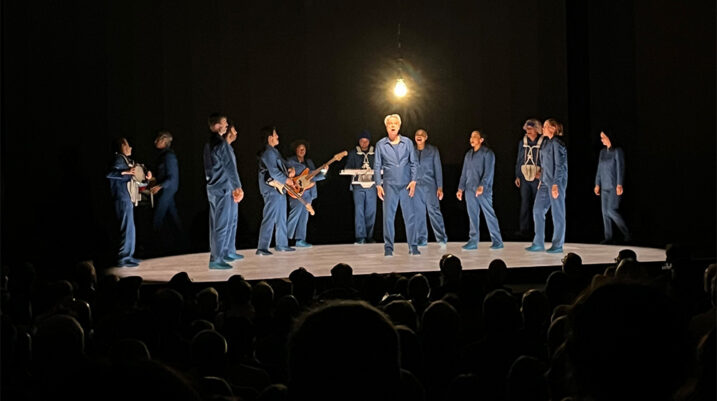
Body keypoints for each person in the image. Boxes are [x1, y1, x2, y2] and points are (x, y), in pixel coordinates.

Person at [374, 114, 419, 256]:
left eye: (395, 123)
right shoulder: (381, 144)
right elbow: (377, 165)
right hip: (389, 185)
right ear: (386, 127)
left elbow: (414, 163)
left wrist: (414, 181)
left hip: (406, 185)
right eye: (390, 124)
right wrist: (378, 184)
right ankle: (388, 248)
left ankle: (413, 246)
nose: (392, 126)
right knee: (388, 218)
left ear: (399, 126)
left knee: (410, 216)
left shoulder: (407, 142)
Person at [203, 114, 243, 269]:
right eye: (225, 123)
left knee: (217, 223)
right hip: (223, 187)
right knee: (222, 223)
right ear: (217, 126)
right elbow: (230, 167)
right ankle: (216, 258)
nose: (226, 126)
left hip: (214, 187)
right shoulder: (220, 144)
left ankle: (222, 253)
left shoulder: (209, 144)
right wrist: (237, 187)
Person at [456, 130, 504, 250]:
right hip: (469, 189)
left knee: (489, 214)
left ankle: (497, 241)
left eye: (475, 137)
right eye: (471, 136)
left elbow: (488, 172)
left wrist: (482, 185)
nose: (471, 139)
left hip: (483, 190)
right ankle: (473, 241)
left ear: (481, 140)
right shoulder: (468, 154)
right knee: (472, 216)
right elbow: (464, 172)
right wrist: (460, 188)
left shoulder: (488, 154)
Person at [526, 118, 568, 254]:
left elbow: (560, 166)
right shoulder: (545, 143)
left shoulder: (557, 143)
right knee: (538, 210)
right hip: (545, 182)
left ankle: (558, 244)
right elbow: (544, 165)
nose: (543, 128)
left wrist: (556, 184)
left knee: (557, 213)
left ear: (553, 128)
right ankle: (538, 242)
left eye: (545, 126)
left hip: (556, 182)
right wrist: (541, 180)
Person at [107, 138, 147, 267]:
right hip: (121, 197)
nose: (130, 148)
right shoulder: (119, 159)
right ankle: (123, 258)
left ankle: (128, 256)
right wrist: (125, 172)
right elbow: (110, 173)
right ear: (122, 147)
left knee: (130, 228)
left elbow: (136, 178)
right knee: (126, 227)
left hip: (126, 197)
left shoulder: (126, 161)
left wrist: (146, 178)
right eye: (128, 145)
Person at [256, 126, 297, 255]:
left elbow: (285, 163)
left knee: (281, 217)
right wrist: (287, 180)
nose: (278, 136)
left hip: (279, 189)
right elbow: (273, 171)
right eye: (275, 134)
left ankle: (282, 244)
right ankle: (262, 247)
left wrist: (291, 168)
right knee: (270, 217)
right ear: (270, 138)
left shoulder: (274, 152)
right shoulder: (268, 153)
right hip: (271, 189)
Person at [286, 140, 326, 248]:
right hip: (296, 192)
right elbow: (288, 173)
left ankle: (300, 240)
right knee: (295, 215)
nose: (302, 150)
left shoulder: (309, 162)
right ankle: (284, 239)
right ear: (296, 150)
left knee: (304, 217)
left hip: (308, 193)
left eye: (303, 149)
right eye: (300, 149)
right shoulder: (290, 161)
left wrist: (324, 171)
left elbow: (314, 176)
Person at [594, 130, 631, 244]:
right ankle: (608, 237)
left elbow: (620, 167)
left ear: (609, 137)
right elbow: (599, 169)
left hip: (614, 185)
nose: (602, 140)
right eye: (601, 138)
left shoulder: (617, 151)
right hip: (604, 186)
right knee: (604, 213)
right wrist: (597, 183)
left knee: (611, 210)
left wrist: (619, 184)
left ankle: (627, 233)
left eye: (603, 137)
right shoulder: (602, 152)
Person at [413, 129, 447, 247]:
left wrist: (440, 187)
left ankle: (441, 238)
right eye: (417, 134)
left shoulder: (433, 150)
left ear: (426, 137)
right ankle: (421, 239)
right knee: (419, 213)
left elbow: (438, 169)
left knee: (434, 211)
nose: (419, 136)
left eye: (422, 135)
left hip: (430, 185)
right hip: (416, 186)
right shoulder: (411, 150)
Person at [150, 130, 182, 252]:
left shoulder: (169, 156)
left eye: (158, 139)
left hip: (166, 190)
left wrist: (160, 186)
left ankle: (155, 246)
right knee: (173, 217)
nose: (155, 141)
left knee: (157, 217)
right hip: (166, 189)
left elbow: (172, 177)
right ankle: (182, 243)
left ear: (164, 141)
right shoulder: (163, 155)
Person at [344, 130, 377, 244]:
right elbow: (347, 167)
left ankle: (369, 236)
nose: (364, 143)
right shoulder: (353, 153)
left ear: (369, 141)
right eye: (362, 141)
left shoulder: (375, 153)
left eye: (366, 141)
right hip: (358, 185)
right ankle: (360, 236)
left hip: (372, 185)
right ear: (359, 141)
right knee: (359, 211)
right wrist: (356, 171)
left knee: (371, 211)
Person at [514, 119, 544, 239]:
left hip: (537, 176)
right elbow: (519, 159)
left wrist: (542, 174)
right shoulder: (523, 142)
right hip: (525, 176)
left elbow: (546, 160)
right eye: (527, 129)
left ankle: (539, 230)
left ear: (537, 130)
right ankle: (524, 229)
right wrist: (518, 175)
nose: (528, 131)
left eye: (531, 129)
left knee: (538, 205)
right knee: (525, 203)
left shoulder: (543, 142)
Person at [224, 123, 245, 258]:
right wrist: (235, 187)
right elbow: (226, 171)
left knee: (232, 220)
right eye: (234, 130)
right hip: (227, 189)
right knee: (226, 221)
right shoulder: (223, 149)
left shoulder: (229, 149)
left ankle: (230, 250)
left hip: (232, 188)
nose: (236, 132)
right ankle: (224, 251)